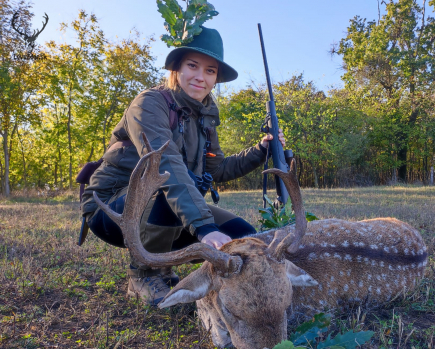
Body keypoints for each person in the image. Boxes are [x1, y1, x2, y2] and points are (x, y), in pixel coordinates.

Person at [80, 27, 285, 306]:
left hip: (168, 208)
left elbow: (218, 170)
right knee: (168, 181)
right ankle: (144, 275)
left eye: (210, 71)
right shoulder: (149, 104)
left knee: (244, 238)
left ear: (216, 78)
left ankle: (208, 277)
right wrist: (203, 227)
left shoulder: (206, 117)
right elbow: (166, 165)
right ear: (176, 67)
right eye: (192, 66)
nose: (201, 77)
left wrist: (261, 151)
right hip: (111, 209)